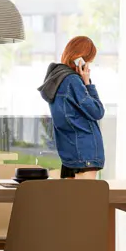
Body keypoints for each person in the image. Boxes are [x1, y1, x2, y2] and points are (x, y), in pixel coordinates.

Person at [38, 36, 105, 178]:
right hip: (85, 152)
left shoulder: (56, 79)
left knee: (70, 199)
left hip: (69, 151)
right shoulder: (73, 81)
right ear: (80, 60)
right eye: (88, 61)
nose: (88, 65)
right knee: (86, 199)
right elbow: (97, 111)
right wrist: (88, 83)